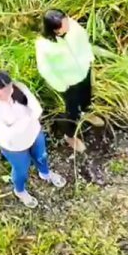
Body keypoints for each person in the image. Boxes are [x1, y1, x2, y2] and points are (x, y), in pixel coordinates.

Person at [0, 69, 65, 208]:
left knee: (41, 156)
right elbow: (6, 132)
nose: (10, 93)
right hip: (13, 146)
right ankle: (20, 191)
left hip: (34, 133)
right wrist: (27, 119)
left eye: (10, 88)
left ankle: (45, 173)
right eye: (5, 91)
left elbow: (36, 108)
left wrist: (22, 122)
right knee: (21, 169)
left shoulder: (19, 88)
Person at [35, 9, 101, 154]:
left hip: (84, 71)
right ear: (55, 30)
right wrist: (61, 85)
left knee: (87, 95)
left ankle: (86, 112)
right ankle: (70, 136)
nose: (69, 25)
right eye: (64, 25)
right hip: (68, 82)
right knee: (71, 111)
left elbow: (84, 42)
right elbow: (45, 68)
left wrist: (89, 60)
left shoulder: (74, 27)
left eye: (67, 21)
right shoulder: (44, 45)